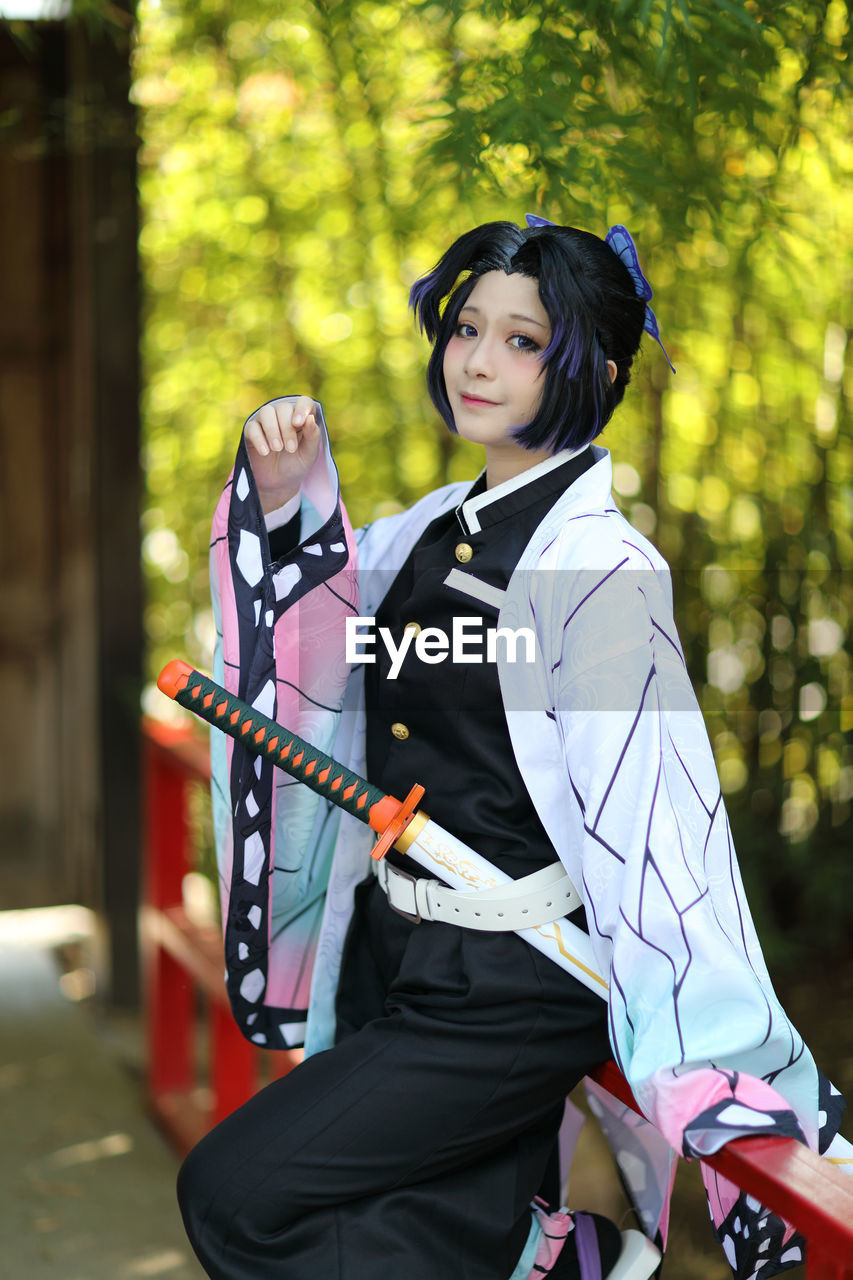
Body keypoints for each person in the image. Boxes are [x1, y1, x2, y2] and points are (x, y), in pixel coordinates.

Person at [176, 217, 850, 1280]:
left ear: (592, 366)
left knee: (235, 1195)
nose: (478, 360)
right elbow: (317, 635)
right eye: (465, 328)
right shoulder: (426, 530)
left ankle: (536, 1251)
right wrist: (287, 499)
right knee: (348, 1200)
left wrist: (704, 1021)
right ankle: (541, 1253)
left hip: (512, 981)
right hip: (394, 948)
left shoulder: (598, 569)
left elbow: (654, 810)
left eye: (522, 340)